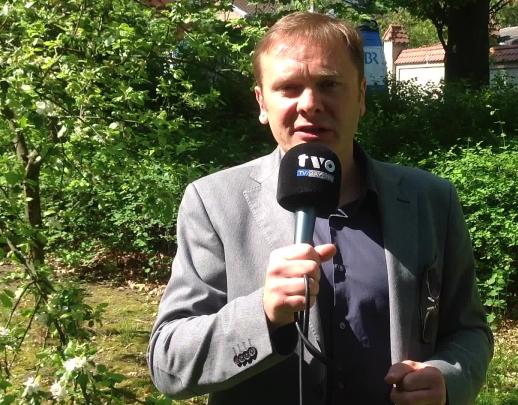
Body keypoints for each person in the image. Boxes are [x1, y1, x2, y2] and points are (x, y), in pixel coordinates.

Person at [147, 11, 493, 405]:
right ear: (262, 102)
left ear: (361, 96)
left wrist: (447, 379)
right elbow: (169, 364)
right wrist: (262, 313)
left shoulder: (431, 200)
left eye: (329, 84)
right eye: (289, 88)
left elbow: (469, 331)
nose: (310, 104)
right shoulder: (213, 203)